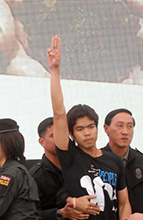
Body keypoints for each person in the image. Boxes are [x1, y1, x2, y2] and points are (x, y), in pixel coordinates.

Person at [48, 35, 131, 219]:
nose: (87, 133)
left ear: (98, 128)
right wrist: (55, 70)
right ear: (71, 133)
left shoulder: (115, 161)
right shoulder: (70, 156)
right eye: (80, 129)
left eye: (90, 127)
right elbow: (59, 114)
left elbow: (124, 203)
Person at [29, 117, 101, 220]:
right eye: (54, 136)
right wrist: (60, 213)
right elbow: (31, 214)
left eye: (63, 134)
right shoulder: (35, 176)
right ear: (42, 142)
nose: (60, 139)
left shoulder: (83, 165)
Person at [102, 108, 143, 213]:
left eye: (130, 127)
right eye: (119, 126)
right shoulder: (96, 161)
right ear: (106, 129)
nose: (125, 132)